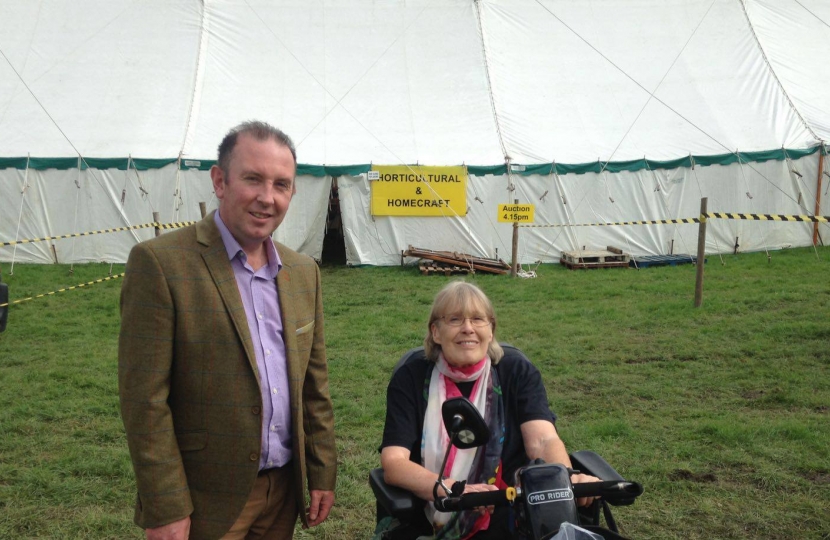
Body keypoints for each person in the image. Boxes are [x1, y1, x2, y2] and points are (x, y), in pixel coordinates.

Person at [118, 121, 336, 540]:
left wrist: (322, 470)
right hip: (205, 498)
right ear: (220, 180)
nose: (266, 198)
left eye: (281, 185)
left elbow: (314, 385)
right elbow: (144, 401)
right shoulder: (161, 264)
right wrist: (165, 506)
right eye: (253, 179)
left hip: (283, 492)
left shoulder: (303, 271)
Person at [379, 281, 598, 539]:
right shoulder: (412, 377)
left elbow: (543, 439)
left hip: (511, 512)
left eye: (478, 319)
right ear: (435, 332)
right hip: (432, 513)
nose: (468, 328)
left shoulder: (516, 370)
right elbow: (394, 462)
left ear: (491, 330)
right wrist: (450, 489)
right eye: (455, 319)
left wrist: (566, 477)